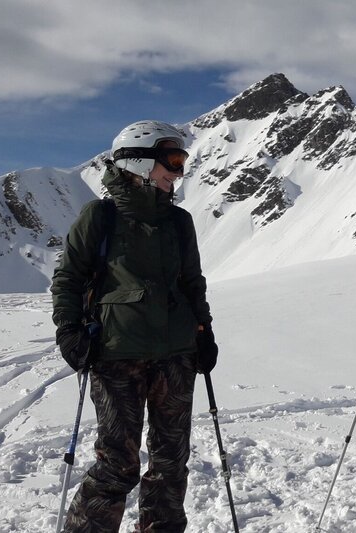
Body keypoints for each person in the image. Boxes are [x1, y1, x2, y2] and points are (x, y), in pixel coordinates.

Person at [51, 120, 217, 532]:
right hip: (116, 356)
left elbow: (193, 284)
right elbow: (69, 278)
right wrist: (68, 330)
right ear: (141, 162)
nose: (178, 172)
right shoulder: (101, 216)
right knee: (117, 466)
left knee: (171, 463)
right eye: (172, 161)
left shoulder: (180, 222)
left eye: (180, 161)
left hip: (176, 356)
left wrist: (204, 331)